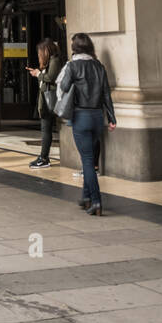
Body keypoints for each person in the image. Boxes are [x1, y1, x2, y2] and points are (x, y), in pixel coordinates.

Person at [55, 32, 117, 216]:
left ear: (75, 48)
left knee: (88, 161)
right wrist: (112, 118)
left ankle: (97, 201)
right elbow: (106, 94)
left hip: (81, 116)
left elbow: (64, 88)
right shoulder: (99, 66)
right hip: (97, 116)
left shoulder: (73, 66)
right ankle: (86, 197)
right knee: (89, 158)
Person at [27, 39, 62, 169]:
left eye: (40, 52)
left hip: (50, 99)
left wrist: (38, 74)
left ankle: (44, 158)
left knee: (46, 129)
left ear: (46, 51)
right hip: (46, 99)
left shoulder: (55, 60)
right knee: (45, 129)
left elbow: (51, 77)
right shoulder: (52, 61)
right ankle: (43, 157)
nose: (39, 54)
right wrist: (39, 73)